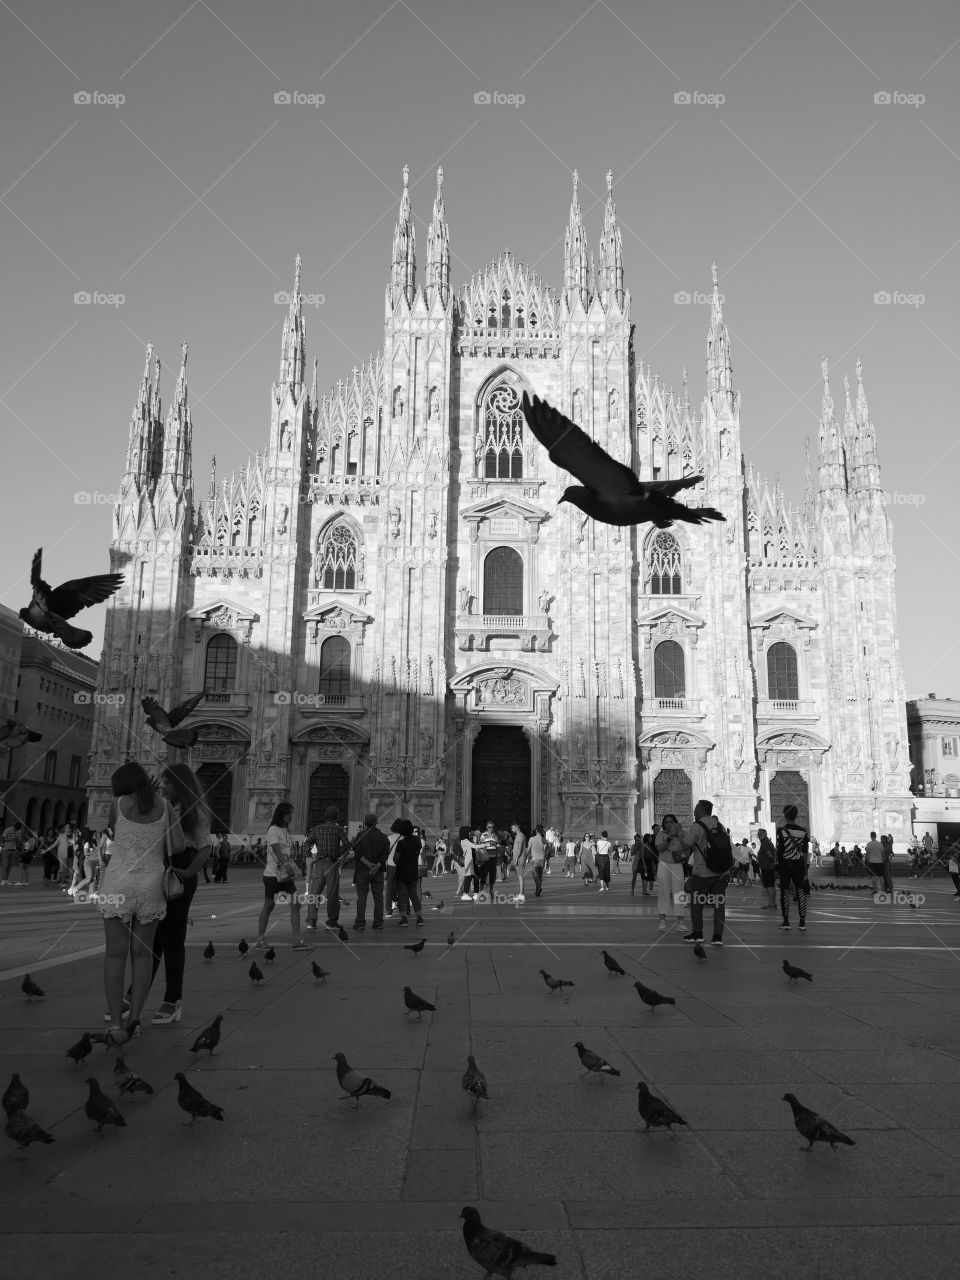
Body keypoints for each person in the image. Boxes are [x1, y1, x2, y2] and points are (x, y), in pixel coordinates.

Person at [98, 762, 185, 1044]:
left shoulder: (117, 804)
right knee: (142, 955)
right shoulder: (164, 806)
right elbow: (180, 846)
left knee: (115, 954)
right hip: (151, 883)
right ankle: (135, 1021)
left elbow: (114, 833)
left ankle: (115, 1022)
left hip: (118, 882)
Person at [256, 802, 310, 951]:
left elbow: (286, 848)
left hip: (285, 876)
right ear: (281, 814)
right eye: (288, 814)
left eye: (291, 813)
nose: (291, 816)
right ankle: (260, 940)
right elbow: (275, 849)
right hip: (273, 875)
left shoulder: (285, 830)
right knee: (269, 906)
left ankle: (297, 941)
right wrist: (285, 863)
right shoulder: (273, 829)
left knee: (295, 904)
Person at [683, 799, 732, 945]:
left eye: (696, 808)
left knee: (697, 903)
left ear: (702, 810)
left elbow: (687, 844)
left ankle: (698, 933)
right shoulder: (720, 825)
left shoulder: (697, 826)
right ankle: (718, 937)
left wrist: (679, 834)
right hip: (720, 871)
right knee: (719, 904)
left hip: (702, 871)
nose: (694, 810)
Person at [306, 805, 349, 933]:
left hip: (319, 864)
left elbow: (307, 843)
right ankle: (331, 922)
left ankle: (311, 921)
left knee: (314, 893)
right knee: (332, 894)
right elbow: (347, 844)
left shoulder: (317, 829)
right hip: (332, 864)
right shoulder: (339, 829)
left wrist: (309, 857)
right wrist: (342, 854)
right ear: (337, 816)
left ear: (325, 816)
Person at [352, 813, 390, 931]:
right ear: (376, 823)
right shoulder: (383, 837)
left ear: (365, 823)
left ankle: (360, 923)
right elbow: (385, 854)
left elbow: (358, 854)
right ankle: (378, 922)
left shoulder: (360, 835)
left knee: (361, 897)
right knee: (378, 897)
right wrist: (377, 866)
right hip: (377, 872)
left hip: (362, 870)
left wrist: (369, 865)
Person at [776, 805, 810, 931]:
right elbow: (805, 851)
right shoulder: (803, 831)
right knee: (800, 892)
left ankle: (786, 921)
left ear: (785, 815)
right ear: (796, 816)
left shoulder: (781, 831)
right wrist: (805, 868)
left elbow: (778, 851)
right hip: (799, 864)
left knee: (785, 892)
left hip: (785, 864)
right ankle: (802, 922)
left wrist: (777, 868)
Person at [654, 815, 688, 933]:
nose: (668, 824)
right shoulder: (661, 834)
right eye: (666, 822)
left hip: (677, 864)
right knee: (663, 891)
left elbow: (687, 846)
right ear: (663, 824)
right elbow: (659, 848)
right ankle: (663, 920)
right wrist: (669, 837)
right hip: (664, 864)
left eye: (671, 822)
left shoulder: (682, 833)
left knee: (679, 892)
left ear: (675, 823)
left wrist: (678, 835)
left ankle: (681, 922)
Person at [393, 818, 423, 926]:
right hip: (413, 871)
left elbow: (395, 858)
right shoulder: (417, 841)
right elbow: (417, 852)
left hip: (402, 872)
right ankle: (419, 918)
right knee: (414, 895)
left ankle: (404, 918)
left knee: (402, 895)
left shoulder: (401, 843)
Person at [476, 821, 499, 899]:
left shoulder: (495, 836)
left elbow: (496, 846)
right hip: (486, 858)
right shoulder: (483, 835)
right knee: (483, 875)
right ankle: (480, 892)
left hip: (493, 858)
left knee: (493, 875)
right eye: (489, 827)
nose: (491, 829)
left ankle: (491, 891)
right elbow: (481, 846)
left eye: (492, 827)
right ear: (486, 827)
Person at [509, 821, 527, 902]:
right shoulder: (520, 835)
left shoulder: (520, 835)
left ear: (516, 827)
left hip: (519, 859)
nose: (512, 830)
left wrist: (516, 859)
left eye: (512, 828)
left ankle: (521, 894)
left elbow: (519, 848)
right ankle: (521, 893)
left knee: (520, 876)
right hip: (518, 858)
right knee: (520, 876)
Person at [527, 824, 546, 896]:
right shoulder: (543, 838)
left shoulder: (532, 839)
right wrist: (545, 854)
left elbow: (528, 849)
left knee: (535, 876)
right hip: (542, 859)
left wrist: (527, 856)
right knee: (540, 876)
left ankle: (539, 887)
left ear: (536, 830)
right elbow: (549, 848)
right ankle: (537, 890)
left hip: (535, 859)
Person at [864, 830, 885, 896]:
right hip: (880, 862)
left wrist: (867, 862)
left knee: (873, 877)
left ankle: (875, 890)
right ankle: (882, 890)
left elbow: (867, 854)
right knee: (881, 877)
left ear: (871, 836)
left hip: (872, 862)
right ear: (876, 836)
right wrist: (883, 861)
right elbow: (883, 854)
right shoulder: (880, 844)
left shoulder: (869, 844)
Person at [1, 821, 21, 885]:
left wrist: (17, 839)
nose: (16, 830)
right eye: (15, 828)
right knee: (5, 865)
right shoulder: (8, 829)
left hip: (13, 849)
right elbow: (3, 838)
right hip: (6, 849)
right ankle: (3, 880)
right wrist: (10, 839)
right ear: (14, 826)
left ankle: (6, 879)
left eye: (17, 829)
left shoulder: (19, 831)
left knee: (9, 865)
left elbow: (19, 840)